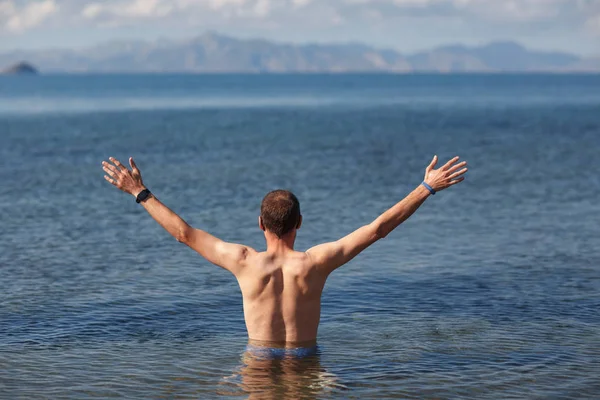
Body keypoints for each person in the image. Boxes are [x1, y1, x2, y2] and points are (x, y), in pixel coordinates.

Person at [101, 155, 467, 357]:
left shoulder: (243, 261)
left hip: (257, 363)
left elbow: (183, 233)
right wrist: (426, 187)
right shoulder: (316, 262)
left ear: (260, 222)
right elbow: (377, 229)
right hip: (308, 363)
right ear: (300, 223)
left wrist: (140, 191)